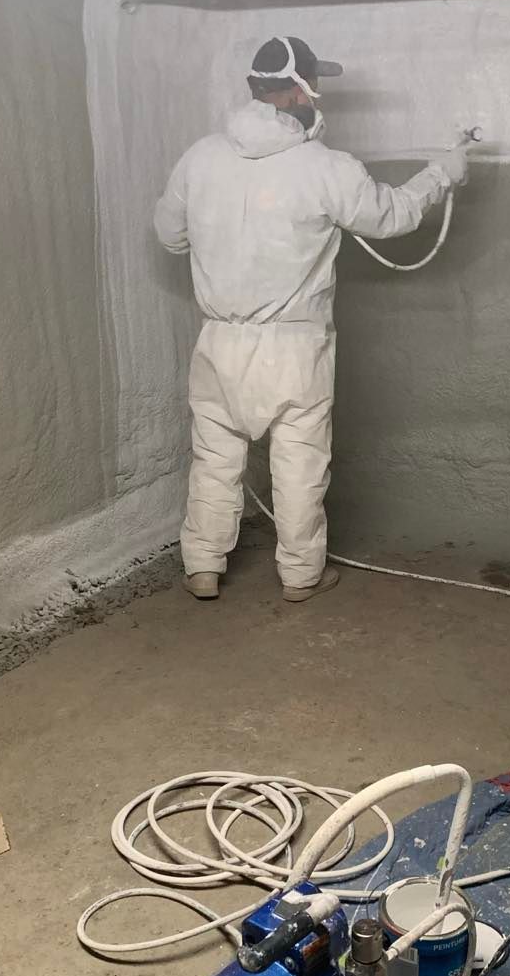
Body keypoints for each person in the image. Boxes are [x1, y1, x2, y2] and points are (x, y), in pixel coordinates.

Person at [154, 35, 468, 603]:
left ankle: (202, 566)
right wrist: (441, 175)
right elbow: (392, 217)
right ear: (301, 90)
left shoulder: (200, 157)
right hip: (293, 347)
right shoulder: (325, 167)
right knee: (299, 462)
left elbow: (169, 236)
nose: (318, 93)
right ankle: (301, 575)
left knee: (215, 457)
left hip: (220, 340)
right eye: (315, 83)